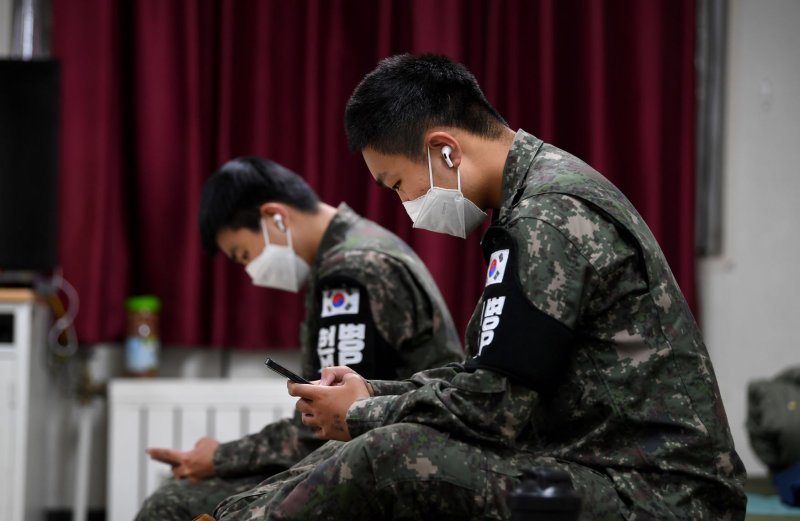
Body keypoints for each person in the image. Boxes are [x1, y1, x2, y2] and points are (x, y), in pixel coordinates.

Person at [212, 54, 748, 521]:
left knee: (393, 455)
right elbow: (490, 377)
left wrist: (360, 412)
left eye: (398, 184)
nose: (406, 204)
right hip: (605, 465)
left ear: (445, 151)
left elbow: (493, 409)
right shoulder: (537, 195)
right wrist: (373, 393)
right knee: (374, 441)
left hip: (662, 495)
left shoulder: (545, 217)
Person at [134, 156, 463, 520]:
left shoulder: (350, 271)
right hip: (395, 449)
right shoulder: (355, 247)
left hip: (403, 462)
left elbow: (334, 421)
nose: (250, 270)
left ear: (275, 217)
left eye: (244, 254)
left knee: (171, 504)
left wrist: (219, 458)